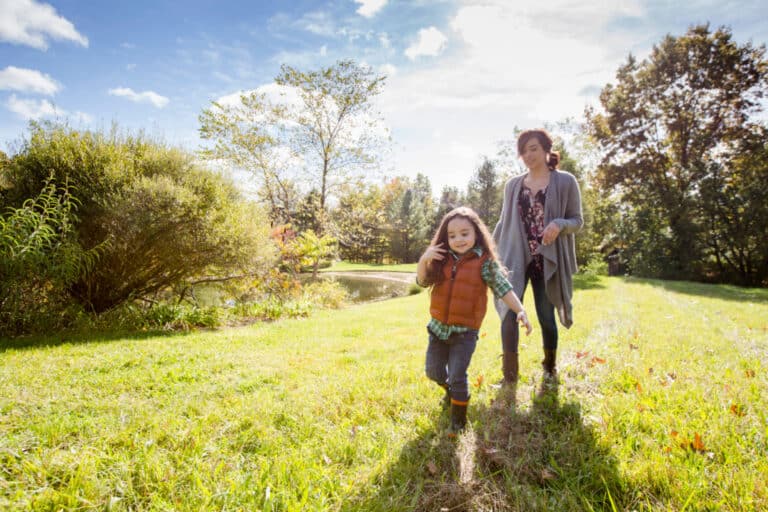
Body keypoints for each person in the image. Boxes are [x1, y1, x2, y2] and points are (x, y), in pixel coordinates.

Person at [417, 206, 532, 434]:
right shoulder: (441, 259)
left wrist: (520, 309)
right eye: (452, 235)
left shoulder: (485, 263)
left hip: (465, 333)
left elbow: (503, 288)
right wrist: (424, 260)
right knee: (434, 372)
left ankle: (458, 423)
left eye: (464, 233)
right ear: (445, 237)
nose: (458, 239)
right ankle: (449, 390)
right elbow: (422, 282)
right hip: (438, 330)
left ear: (476, 234)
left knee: (459, 375)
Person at [493, 129, 583, 384]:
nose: (528, 154)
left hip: (548, 260)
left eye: (533, 148)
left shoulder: (565, 181)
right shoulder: (513, 185)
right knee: (509, 314)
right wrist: (489, 250)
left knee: (546, 315)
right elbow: (503, 222)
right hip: (516, 259)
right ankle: (509, 376)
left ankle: (549, 367)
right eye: (524, 150)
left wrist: (558, 224)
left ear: (546, 149)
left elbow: (577, 221)